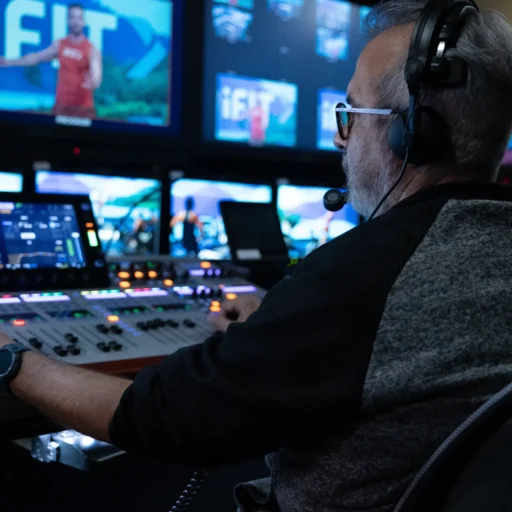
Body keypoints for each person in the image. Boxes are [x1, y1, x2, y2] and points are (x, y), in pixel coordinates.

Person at [1, 1, 512, 511]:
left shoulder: (367, 275)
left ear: (412, 135)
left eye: (350, 112)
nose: (340, 136)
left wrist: (13, 361)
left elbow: (159, 417)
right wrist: (277, 329)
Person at [0, 4, 102, 118]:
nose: (76, 22)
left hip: (84, 110)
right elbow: (36, 57)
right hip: (62, 108)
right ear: (68, 20)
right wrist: (9, 62)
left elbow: (96, 76)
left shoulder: (91, 49)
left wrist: (93, 81)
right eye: (72, 17)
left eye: (79, 18)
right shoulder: (60, 45)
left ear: (84, 22)